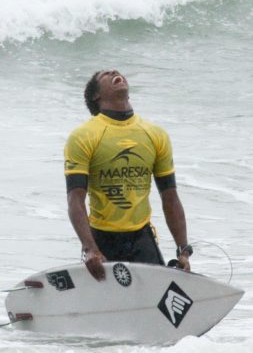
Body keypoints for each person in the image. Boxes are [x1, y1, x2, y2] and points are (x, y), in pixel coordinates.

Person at [64, 69, 193, 281]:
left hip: (142, 239)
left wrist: (183, 249)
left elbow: (170, 197)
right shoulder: (83, 136)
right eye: (105, 75)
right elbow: (75, 199)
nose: (114, 72)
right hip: (102, 240)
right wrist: (89, 249)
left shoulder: (155, 134)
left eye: (116, 71)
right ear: (96, 95)